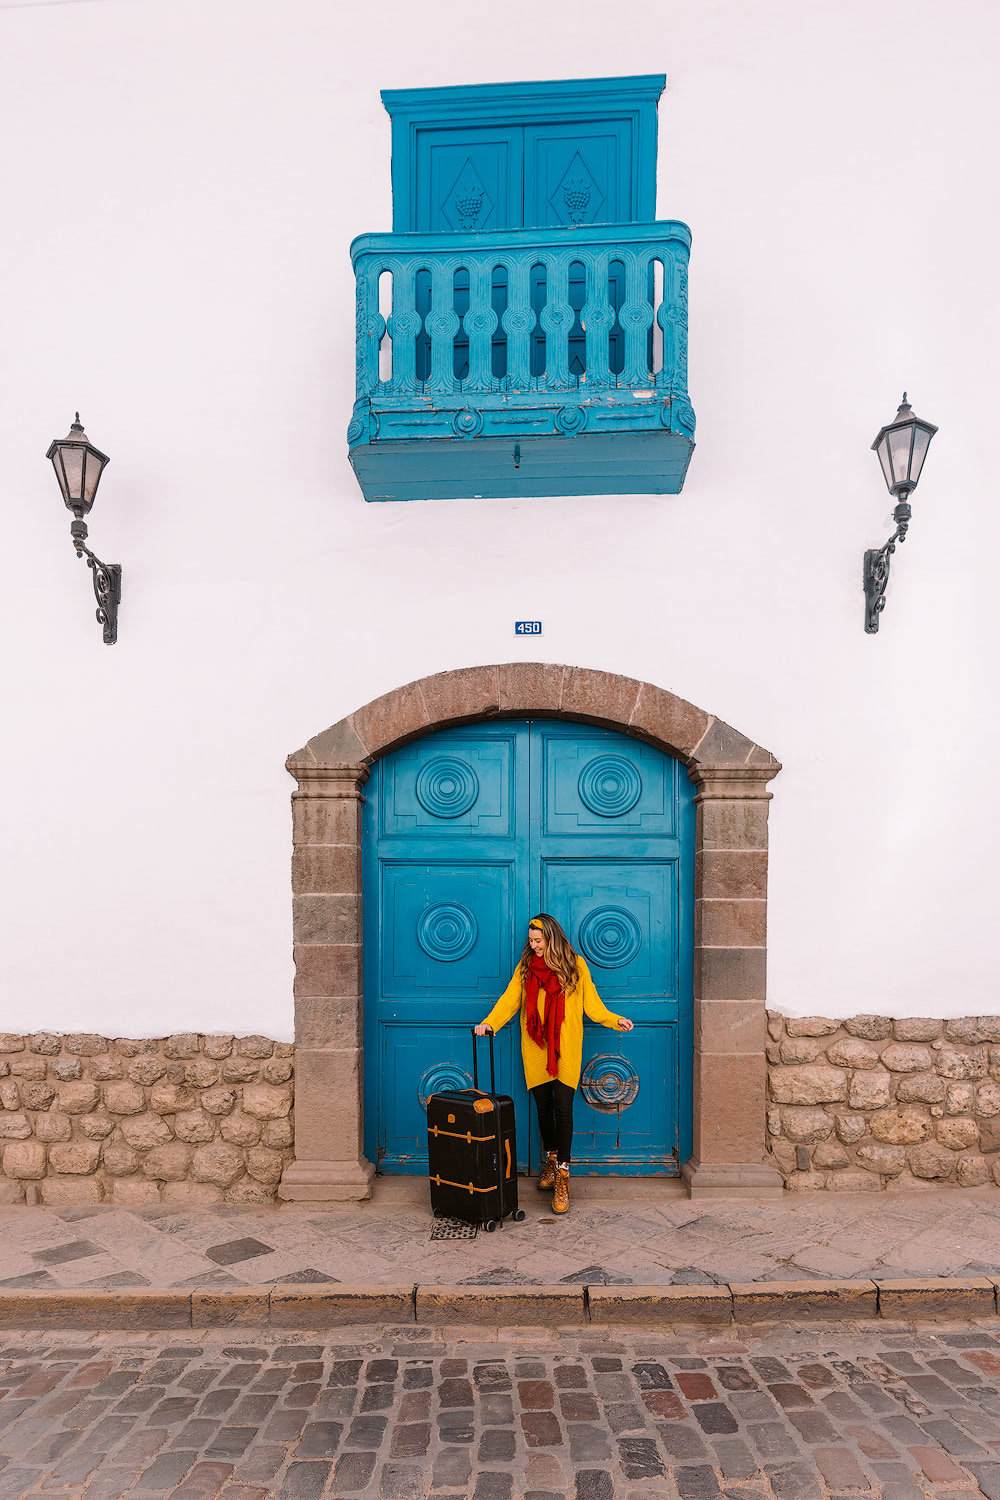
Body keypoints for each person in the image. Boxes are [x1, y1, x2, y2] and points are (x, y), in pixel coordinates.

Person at [475, 913, 633, 1214]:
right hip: (536, 1047)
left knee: (563, 1108)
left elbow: (593, 1006)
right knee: (544, 1109)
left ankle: (563, 1173)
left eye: (538, 940)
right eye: (531, 941)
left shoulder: (575, 967)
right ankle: (550, 1158)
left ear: (552, 938)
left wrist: (615, 1020)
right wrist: (489, 1023)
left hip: (566, 1048)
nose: (534, 946)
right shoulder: (525, 969)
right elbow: (510, 1000)